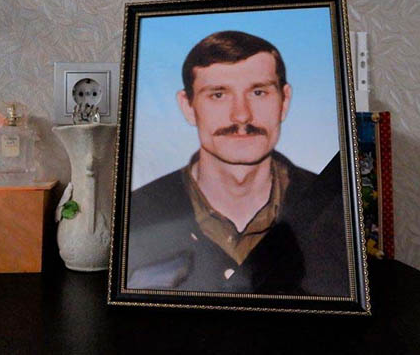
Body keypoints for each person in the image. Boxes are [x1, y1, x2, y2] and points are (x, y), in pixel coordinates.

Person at [126, 30, 349, 296]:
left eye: (258, 92)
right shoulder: (137, 213)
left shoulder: (338, 210)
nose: (241, 115)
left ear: (284, 101)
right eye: (218, 95)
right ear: (188, 106)